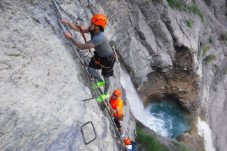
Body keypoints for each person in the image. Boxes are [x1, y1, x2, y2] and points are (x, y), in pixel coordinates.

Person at [61, 14, 115, 102]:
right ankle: (99, 81)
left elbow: (82, 46)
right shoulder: (93, 30)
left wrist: (71, 38)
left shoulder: (99, 38)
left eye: (92, 24)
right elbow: (78, 29)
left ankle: (105, 94)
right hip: (99, 55)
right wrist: (67, 22)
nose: (90, 25)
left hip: (108, 59)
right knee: (90, 69)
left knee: (106, 77)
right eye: (91, 23)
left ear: (97, 27)